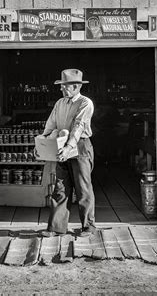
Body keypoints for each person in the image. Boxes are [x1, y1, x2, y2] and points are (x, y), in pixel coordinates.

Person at [39, 68, 96, 238]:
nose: (61, 89)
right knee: (61, 187)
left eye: (65, 86)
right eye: (61, 85)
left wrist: (68, 147)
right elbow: (51, 124)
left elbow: (79, 127)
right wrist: (41, 141)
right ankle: (56, 228)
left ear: (76, 86)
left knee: (83, 188)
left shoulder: (86, 103)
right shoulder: (60, 103)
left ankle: (88, 227)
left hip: (80, 146)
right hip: (61, 145)